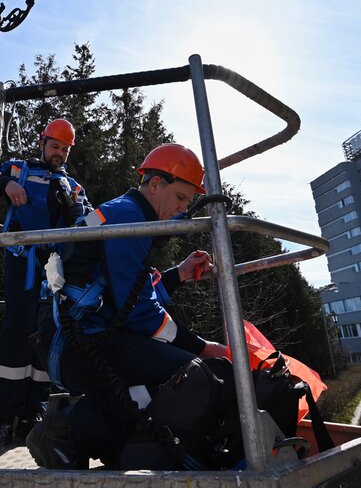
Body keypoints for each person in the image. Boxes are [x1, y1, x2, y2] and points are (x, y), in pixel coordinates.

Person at [26, 143, 230, 469]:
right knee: (185, 373)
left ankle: (111, 441)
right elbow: (139, 313)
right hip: (74, 345)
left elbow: (129, 294)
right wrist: (201, 347)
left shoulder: (127, 213)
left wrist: (177, 275)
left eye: (187, 203)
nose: (182, 210)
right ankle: (68, 431)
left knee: (176, 367)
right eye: (179, 198)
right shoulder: (130, 220)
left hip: (77, 335)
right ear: (155, 185)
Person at [0, 118, 93, 455]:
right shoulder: (17, 168)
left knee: (46, 333)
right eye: (55, 146)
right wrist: (4, 186)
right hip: (22, 260)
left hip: (55, 268)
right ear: (42, 143)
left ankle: (33, 412)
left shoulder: (72, 185)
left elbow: (87, 219)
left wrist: (78, 213)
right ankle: (0, 419)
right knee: (17, 330)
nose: (59, 153)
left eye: (64, 149)